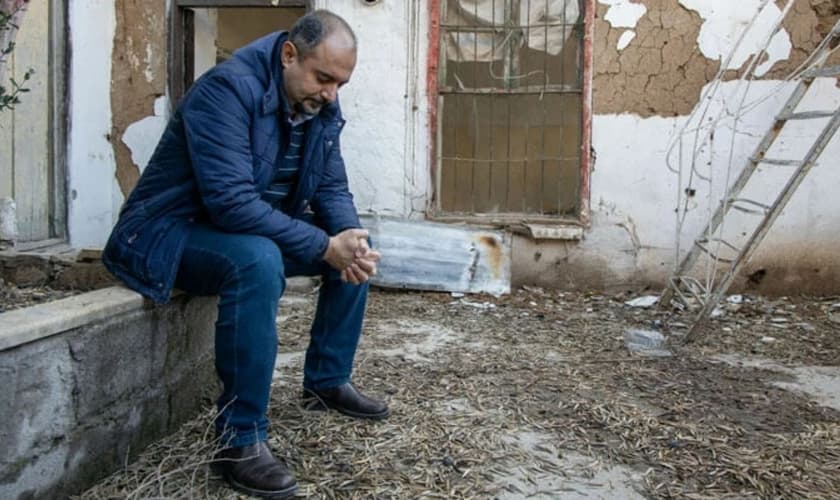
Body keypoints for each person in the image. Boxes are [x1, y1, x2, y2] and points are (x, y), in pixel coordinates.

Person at [102, 10, 387, 499]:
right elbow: (230, 203)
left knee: (352, 246)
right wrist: (322, 245)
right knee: (258, 260)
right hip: (169, 233)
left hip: (237, 229)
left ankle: (326, 380)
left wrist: (344, 236)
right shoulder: (226, 91)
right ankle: (239, 439)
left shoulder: (319, 104)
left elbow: (332, 186)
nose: (331, 93)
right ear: (289, 55)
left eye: (341, 83)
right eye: (323, 78)